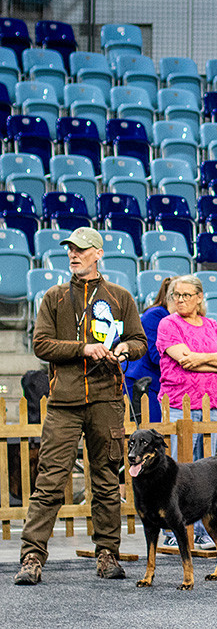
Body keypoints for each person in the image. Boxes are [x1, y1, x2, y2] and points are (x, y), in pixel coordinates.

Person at [15, 226, 147, 585]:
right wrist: (82, 348)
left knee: (106, 480)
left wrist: (124, 349)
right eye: (70, 249)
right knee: (50, 481)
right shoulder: (54, 297)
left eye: (82, 249)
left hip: (106, 399)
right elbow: (41, 344)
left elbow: (139, 341)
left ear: (98, 254)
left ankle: (108, 554)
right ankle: (31, 557)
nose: (74, 255)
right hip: (64, 402)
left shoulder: (120, 296)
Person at [156, 274, 217, 550]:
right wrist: (215, 363)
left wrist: (200, 359)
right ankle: (174, 531)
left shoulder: (212, 325)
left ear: (199, 298)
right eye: (176, 295)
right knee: (178, 471)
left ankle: (202, 532)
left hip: (211, 405)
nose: (180, 300)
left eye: (186, 295)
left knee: (207, 473)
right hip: (179, 404)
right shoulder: (168, 324)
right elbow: (183, 360)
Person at [123, 277, 174, 422]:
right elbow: (155, 355)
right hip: (142, 382)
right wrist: (188, 359)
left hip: (156, 383)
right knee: (148, 432)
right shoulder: (156, 314)